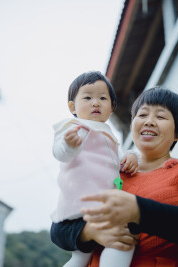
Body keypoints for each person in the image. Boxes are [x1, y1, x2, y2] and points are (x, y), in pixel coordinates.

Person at [51, 86, 178, 266]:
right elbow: (59, 227)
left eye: (160, 116)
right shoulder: (112, 169)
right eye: (142, 115)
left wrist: (138, 211)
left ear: (177, 133)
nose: (149, 121)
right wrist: (90, 232)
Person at [51, 71, 139, 267]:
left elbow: (118, 155)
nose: (96, 102)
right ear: (73, 107)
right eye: (88, 97)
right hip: (82, 201)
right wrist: (68, 145)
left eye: (102, 98)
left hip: (96, 203)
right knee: (122, 239)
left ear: (112, 107)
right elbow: (59, 153)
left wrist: (131, 156)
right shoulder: (73, 127)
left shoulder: (109, 135)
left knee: (80, 258)